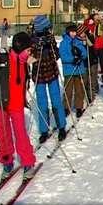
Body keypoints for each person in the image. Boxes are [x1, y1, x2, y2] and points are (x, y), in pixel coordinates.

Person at [0, 32, 37, 181]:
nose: (29, 52)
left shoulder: (25, 61)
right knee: (3, 134)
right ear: (20, 47)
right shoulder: (4, 56)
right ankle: (7, 161)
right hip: (1, 103)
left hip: (17, 104)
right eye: (28, 49)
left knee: (20, 134)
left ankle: (27, 162)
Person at [30, 15, 67, 143]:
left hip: (52, 73)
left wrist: (50, 44)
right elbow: (31, 59)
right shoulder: (32, 40)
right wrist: (38, 47)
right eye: (47, 27)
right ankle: (44, 130)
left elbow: (56, 55)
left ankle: (61, 126)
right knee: (42, 103)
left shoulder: (50, 38)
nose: (49, 30)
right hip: (39, 75)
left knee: (56, 101)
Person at [59, 24, 88, 118]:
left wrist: (80, 56)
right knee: (68, 90)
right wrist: (72, 59)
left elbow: (84, 53)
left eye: (75, 32)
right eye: (72, 32)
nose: (74, 34)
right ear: (68, 32)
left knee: (79, 89)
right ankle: (66, 107)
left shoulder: (77, 41)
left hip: (79, 69)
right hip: (69, 70)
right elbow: (63, 56)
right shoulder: (64, 43)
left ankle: (79, 107)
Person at [94, 15, 103, 84]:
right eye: (96, 18)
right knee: (95, 61)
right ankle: (95, 74)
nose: (98, 19)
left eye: (99, 18)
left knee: (102, 61)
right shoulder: (93, 25)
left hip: (102, 45)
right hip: (95, 45)